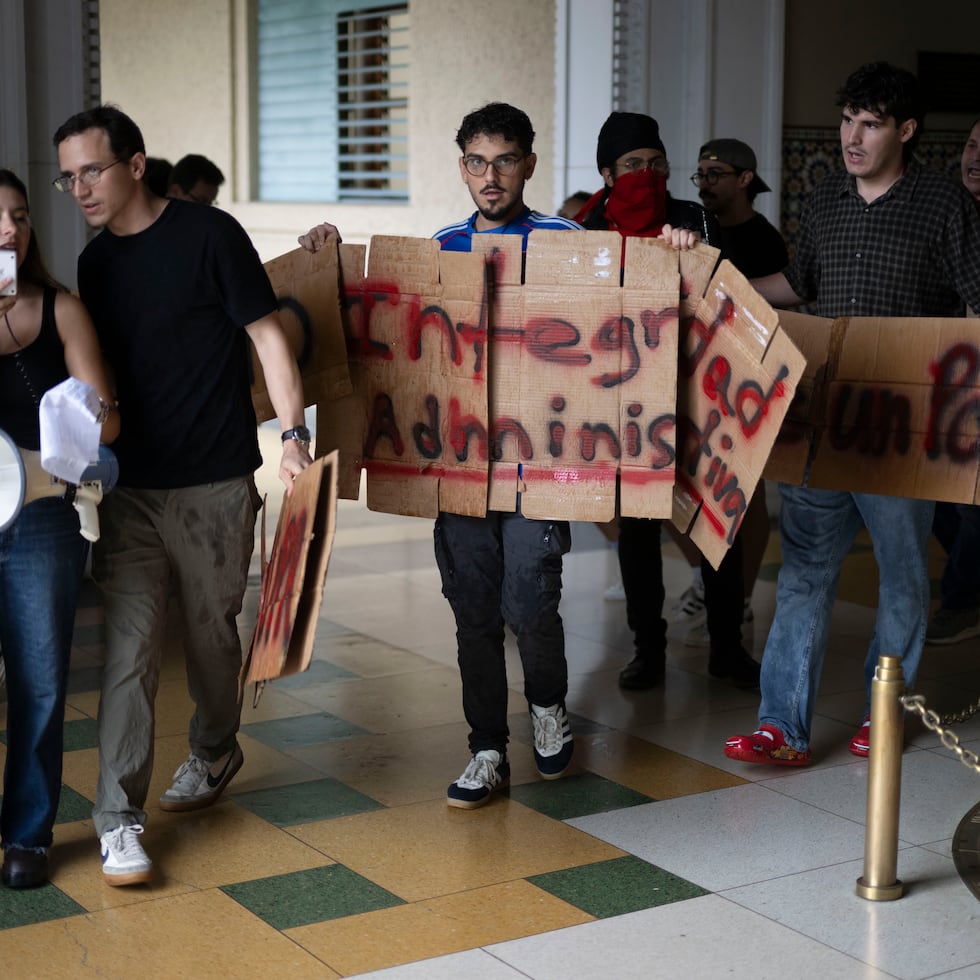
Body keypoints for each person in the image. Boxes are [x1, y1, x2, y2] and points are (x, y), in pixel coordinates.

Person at [52, 105, 311, 884]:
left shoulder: (210, 234)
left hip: (216, 480)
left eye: (90, 171)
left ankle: (214, 748)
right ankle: (117, 819)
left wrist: (294, 437)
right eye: (68, 178)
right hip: (133, 487)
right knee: (128, 651)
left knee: (209, 637)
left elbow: (268, 335)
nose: (79, 189)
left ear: (134, 164)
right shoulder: (95, 264)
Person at [725, 62, 980, 767]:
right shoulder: (827, 195)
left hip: (904, 429)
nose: (852, 136)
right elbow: (800, 286)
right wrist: (726, 284)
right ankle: (782, 726)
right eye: (846, 120)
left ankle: (885, 713)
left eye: (870, 124)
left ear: (905, 130)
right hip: (822, 417)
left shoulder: (942, 204)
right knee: (805, 569)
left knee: (901, 575)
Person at [577, 111, 760, 692]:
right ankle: (646, 649)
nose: (648, 175)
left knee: (715, 523)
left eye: (657, 164)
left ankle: (727, 645)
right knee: (637, 532)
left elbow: (724, 297)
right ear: (607, 173)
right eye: (634, 166)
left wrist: (690, 253)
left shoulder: (692, 217)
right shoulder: (583, 231)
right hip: (622, 404)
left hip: (696, 397)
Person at [0, 168, 119, 888]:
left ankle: (29, 834)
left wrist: (78, 417)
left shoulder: (62, 310)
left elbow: (111, 419)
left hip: (44, 515)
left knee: (40, 681)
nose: (9, 229)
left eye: (18, 215)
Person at [679, 138, 791, 645]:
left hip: (748, 386)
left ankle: (740, 600)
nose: (705, 183)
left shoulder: (765, 240)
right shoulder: (702, 229)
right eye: (700, 174)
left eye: (716, 173)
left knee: (750, 500)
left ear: (745, 179)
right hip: (702, 378)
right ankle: (713, 581)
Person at [927, 118, 980, 645]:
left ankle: (962, 598)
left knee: (972, 501)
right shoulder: (945, 210)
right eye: (971, 145)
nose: (975, 158)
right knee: (937, 493)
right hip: (944, 377)